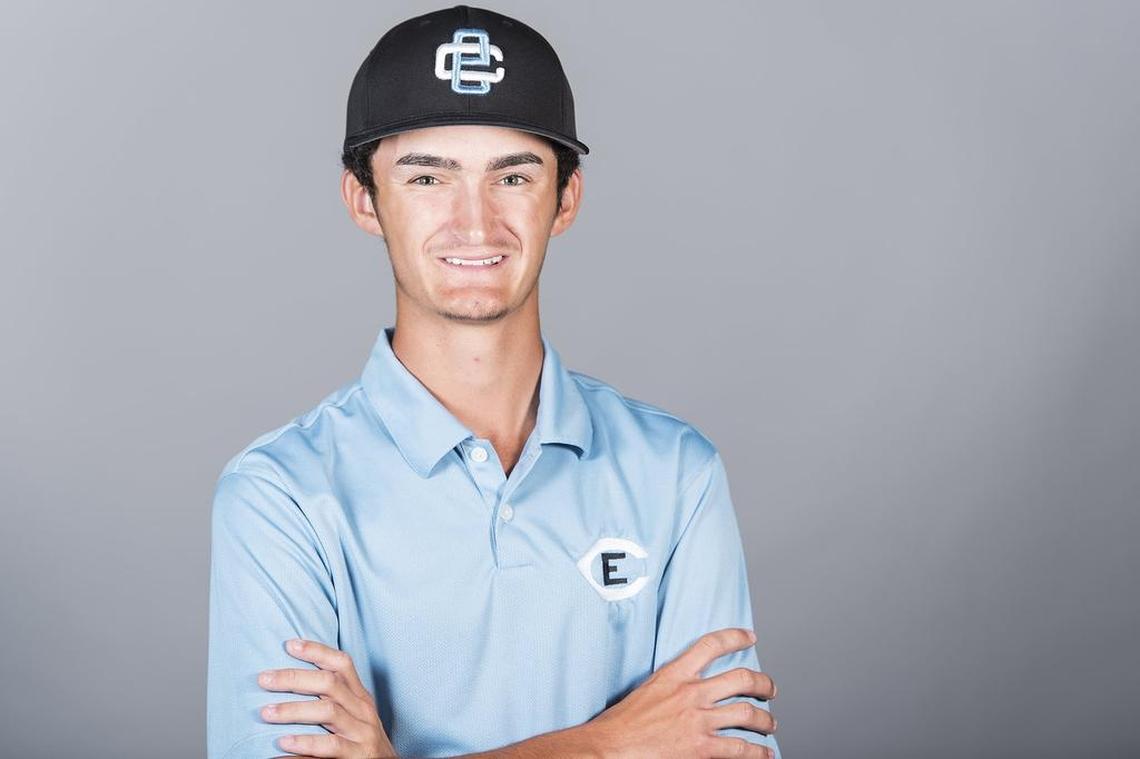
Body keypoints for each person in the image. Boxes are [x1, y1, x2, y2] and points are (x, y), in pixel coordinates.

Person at [206, 5, 780, 758]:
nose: (474, 223)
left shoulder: (676, 473)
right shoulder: (280, 497)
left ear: (564, 200)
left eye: (513, 175)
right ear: (364, 201)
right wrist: (612, 743)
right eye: (427, 177)